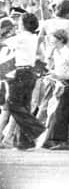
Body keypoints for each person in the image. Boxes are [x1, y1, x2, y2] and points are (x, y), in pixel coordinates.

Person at [3, 13, 46, 149]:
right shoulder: (33, 37)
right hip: (30, 72)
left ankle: (37, 128)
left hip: (20, 72)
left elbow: (3, 43)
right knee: (24, 105)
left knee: (13, 104)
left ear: (24, 24)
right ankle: (24, 141)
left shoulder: (21, 37)